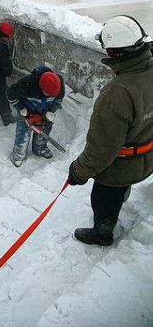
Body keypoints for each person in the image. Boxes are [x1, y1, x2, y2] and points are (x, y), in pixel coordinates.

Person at [68, 15, 153, 246]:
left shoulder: (118, 93)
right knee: (119, 191)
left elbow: (102, 149)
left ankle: (103, 233)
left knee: (104, 199)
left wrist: (78, 171)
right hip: (146, 157)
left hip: (118, 168)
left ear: (115, 53)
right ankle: (122, 195)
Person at [7, 66, 65, 167]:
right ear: (41, 87)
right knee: (23, 132)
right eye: (48, 94)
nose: (50, 96)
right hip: (26, 110)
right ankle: (18, 155)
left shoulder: (59, 84)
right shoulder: (25, 85)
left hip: (45, 111)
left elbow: (58, 99)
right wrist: (22, 109)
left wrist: (51, 111)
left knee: (44, 129)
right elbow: (10, 95)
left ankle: (40, 149)